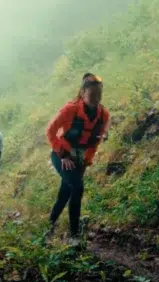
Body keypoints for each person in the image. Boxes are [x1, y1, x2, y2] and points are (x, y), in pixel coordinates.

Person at [46, 73, 111, 246]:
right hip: (61, 156)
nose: (96, 98)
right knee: (77, 187)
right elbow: (50, 132)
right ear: (82, 93)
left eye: (99, 94)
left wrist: (87, 161)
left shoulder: (103, 115)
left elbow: (95, 142)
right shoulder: (70, 110)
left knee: (65, 194)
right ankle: (74, 235)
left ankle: (48, 228)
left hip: (79, 160)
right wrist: (63, 155)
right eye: (92, 94)